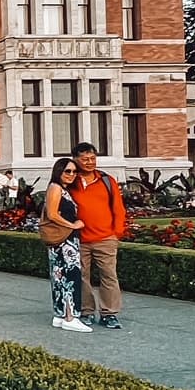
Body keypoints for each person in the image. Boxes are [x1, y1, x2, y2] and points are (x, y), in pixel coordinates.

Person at [68, 141, 128, 329]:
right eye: (85, 159)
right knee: (82, 276)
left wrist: (116, 232)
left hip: (105, 238)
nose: (89, 162)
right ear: (75, 160)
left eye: (93, 158)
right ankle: (86, 311)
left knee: (109, 275)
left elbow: (118, 209)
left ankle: (109, 313)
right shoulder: (70, 181)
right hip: (79, 239)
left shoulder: (106, 181)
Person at [42, 157, 89, 331]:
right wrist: (73, 225)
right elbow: (52, 214)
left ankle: (61, 315)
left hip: (63, 241)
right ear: (58, 172)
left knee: (60, 277)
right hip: (65, 241)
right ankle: (71, 317)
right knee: (71, 276)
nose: (71, 174)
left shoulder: (62, 189)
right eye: (67, 171)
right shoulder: (55, 188)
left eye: (74, 172)